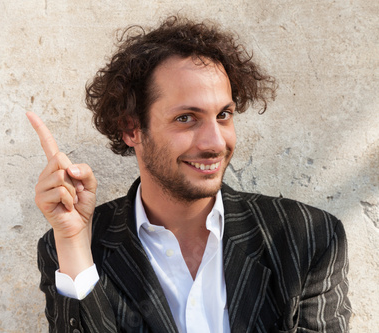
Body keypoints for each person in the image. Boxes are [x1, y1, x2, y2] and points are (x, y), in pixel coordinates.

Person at [27, 16, 351, 333]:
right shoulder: (70, 248)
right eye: (186, 118)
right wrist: (73, 243)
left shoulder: (310, 238)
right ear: (131, 128)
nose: (215, 143)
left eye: (223, 115)